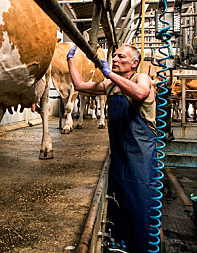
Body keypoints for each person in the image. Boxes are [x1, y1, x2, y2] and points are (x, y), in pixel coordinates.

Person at [67, 44, 157, 253]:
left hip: (139, 153)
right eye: (114, 55)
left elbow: (141, 94)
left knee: (140, 202)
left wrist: (109, 74)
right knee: (119, 200)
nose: (115, 59)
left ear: (134, 63)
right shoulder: (110, 86)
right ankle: (119, 245)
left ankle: (142, 248)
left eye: (121, 56)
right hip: (119, 153)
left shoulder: (141, 78)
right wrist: (70, 60)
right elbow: (79, 85)